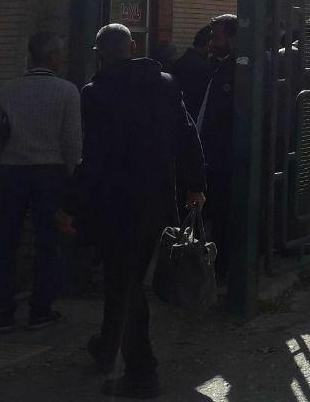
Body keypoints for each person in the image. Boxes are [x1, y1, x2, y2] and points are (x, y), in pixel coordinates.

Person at [60, 24, 205, 399]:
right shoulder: (166, 83)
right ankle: (107, 348)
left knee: (123, 284)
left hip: (117, 204)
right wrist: (196, 186)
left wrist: (72, 205)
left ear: (100, 54)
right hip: (160, 201)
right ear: (134, 46)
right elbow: (188, 135)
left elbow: (93, 157)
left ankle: (142, 372)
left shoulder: (95, 93)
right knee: (127, 282)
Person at [0, 32, 81, 334]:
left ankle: (2, 312)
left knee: (4, 243)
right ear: (53, 57)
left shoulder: (7, 90)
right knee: (47, 242)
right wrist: (72, 176)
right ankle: (40, 309)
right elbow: (72, 141)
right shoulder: (67, 91)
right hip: (50, 173)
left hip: (11, 172)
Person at [193, 13, 237, 279]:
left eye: (217, 37)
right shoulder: (213, 67)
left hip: (226, 158)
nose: (211, 42)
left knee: (224, 215)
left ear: (233, 39)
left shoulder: (240, 71)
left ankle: (222, 269)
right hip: (208, 154)